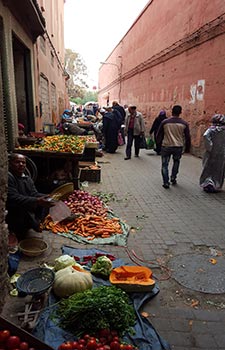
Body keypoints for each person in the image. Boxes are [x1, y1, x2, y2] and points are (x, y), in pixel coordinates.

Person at [6, 153, 55, 240]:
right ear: (10, 163)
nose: (21, 164)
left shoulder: (27, 177)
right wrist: (37, 200)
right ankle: (17, 231)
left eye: (23, 162)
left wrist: (48, 196)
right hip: (14, 212)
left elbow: (34, 193)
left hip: (26, 207)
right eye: (17, 162)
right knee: (22, 230)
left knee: (46, 204)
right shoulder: (8, 177)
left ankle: (35, 224)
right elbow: (13, 198)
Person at [156, 105, 191, 188]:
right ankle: (173, 177)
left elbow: (159, 134)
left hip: (166, 145)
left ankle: (166, 182)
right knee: (176, 162)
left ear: (172, 111)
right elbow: (187, 137)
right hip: (178, 146)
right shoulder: (184, 124)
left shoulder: (165, 122)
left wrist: (158, 144)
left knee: (165, 164)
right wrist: (187, 148)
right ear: (180, 112)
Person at [200, 114, 225, 193]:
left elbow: (205, 136)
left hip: (211, 153)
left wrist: (210, 148)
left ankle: (207, 183)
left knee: (208, 168)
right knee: (219, 169)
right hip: (222, 153)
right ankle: (216, 185)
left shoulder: (211, 129)